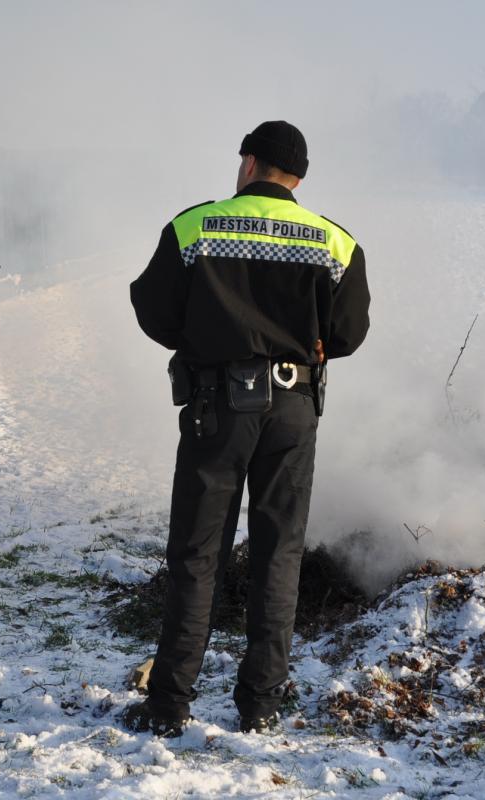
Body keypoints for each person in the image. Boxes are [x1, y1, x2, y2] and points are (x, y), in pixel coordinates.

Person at [126, 120, 370, 734]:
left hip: (216, 410)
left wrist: (207, 339)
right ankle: (260, 706)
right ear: (299, 177)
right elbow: (348, 334)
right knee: (278, 554)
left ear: (250, 164)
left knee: (196, 554)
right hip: (293, 413)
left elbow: (151, 309)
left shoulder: (195, 227)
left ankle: (169, 705)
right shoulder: (335, 243)